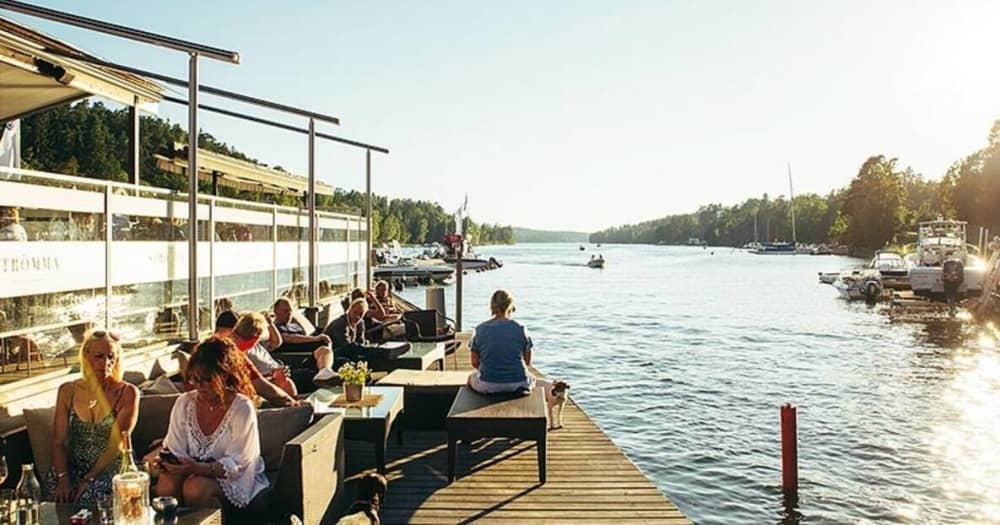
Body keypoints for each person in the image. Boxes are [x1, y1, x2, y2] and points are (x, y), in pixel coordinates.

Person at [155, 336, 269, 509]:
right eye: (194, 379)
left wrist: (198, 468)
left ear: (224, 375)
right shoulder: (185, 403)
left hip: (235, 478)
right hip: (192, 471)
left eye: (207, 379)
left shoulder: (241, 407)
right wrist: (169, 463)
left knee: (195, 487)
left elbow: (239, 464)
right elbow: (175, 448)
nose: (199, 385)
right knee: (166, 483)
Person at [47, 329, 139, 504]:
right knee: (53, 500)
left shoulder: (127, 393)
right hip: (71, 468)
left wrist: (89, 479)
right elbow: (58, 441)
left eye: (111, 357)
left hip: (108, 468)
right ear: (86, 355)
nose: (106, 363)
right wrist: (63, 478)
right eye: (99, 356)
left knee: (88, 499)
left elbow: (116, 443)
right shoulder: (68, 390)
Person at [467, 290, 556, 399]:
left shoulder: (479, 329)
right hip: (519, 383)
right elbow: (527, 362)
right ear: (510, 306)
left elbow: (474, 363)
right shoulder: (521, 329)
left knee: (471, 377)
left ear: (492, 306)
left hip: (488, 385)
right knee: (532, 377)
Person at [214, 311, 300, 407]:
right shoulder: (234, 354)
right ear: (255, 340)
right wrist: (295, 404)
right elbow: (260, 387)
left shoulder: (215, 349)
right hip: (233, 407)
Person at [270, 298, 337, 386]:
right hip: (300, 357)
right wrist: (315, 339)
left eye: (290, 311)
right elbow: (290, 338)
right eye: (286, 311)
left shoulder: (294, 325)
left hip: (315, 353)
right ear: (276, 312)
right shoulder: (275, 329)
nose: (289, 314)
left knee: (341, 352)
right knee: (324, 345)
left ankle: (325, 371)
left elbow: (308, 335)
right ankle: (325, 372)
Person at [323, 298, 369, 365]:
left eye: (361, 314)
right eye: (355, 312)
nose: (357, 317)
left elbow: (361, 341)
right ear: (350, 310)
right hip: (331, 354)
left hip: (346, 352)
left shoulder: (360, 323)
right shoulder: (340, 323)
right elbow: (346, 345)